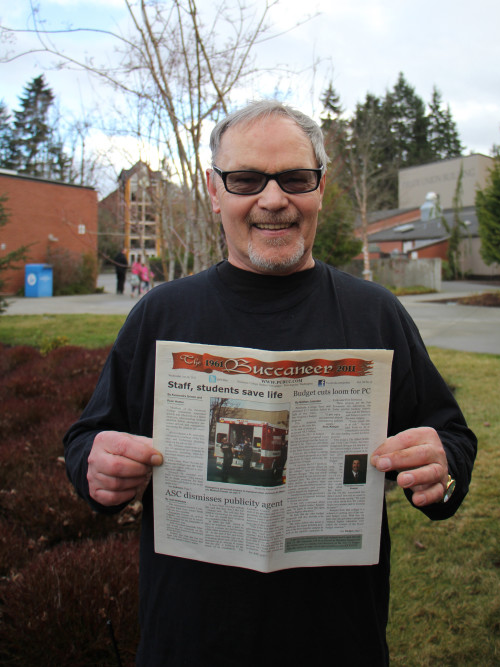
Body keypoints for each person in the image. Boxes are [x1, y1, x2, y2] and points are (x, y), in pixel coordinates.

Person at [64, 100, 476, 666]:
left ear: (320, 188)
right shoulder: (161, 317)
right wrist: (95, 467)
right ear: (215, 192)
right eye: (246, 179)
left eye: (295, 178)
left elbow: (452, 441)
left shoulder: (375, 315)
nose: (274, 198)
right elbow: (86, 439)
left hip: (337, 644)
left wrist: (443, 469)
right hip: (188, 644)